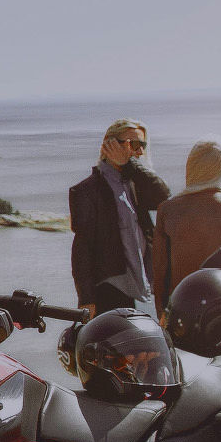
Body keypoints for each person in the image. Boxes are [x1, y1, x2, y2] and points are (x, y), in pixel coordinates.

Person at [69, 118, 171, 316]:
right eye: (134, 144)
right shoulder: (86, 191)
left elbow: (163, 198)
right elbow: (82, 249)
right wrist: (86, 299)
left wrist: (130, 165)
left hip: (144, 285)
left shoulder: (135, 184)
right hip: (109, 288)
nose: (140, 152)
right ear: (109, 144)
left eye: (143, 145)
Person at [152, 138, 221, 310]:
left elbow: (160, 270)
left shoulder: (168, 210)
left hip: (182, 307)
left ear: (191, 168)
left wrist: (161, 310)